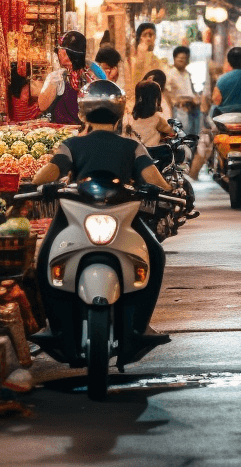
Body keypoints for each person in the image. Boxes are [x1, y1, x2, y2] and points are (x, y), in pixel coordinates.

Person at [32, 79, 171, 345]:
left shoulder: (72, 145)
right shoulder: (132, 146)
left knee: (45, 258)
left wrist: (41, 187)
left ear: (83, 113)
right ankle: (140, 326)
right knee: (155, 254)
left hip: (75, 216)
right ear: (120, 113)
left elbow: (43, 177)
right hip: (123, 217)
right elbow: (155, 181)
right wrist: (170, 193)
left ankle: (55, 326)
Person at [37, 31, 97, 126]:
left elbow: (42, 106)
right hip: (76, 132)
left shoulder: (90, 75)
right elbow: (42, 105)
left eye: (60, 51)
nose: (59, 54)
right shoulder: (92, 74)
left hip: (71, 133)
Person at [124, 80, 174, 147]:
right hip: (151, 153)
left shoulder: (129, 117)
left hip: (134, 151)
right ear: (155, 99)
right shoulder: (157, 118)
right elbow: (171, 131)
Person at [165, 46, 201, 136]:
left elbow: (192, 91)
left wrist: (196, 98)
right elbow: (167, 93)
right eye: (180, 59)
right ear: (174, 59)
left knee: (194, 135)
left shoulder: (187, 73)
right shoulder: (170, 74)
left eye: (185, 59)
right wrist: (176, 102)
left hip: (192, 108)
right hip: (179, 109)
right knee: (183, 135)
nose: (183, 61)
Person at [127, 21, 167, 101]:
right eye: (145, 35)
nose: (148, 38)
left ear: (155, 37)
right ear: (139, 38)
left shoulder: (157, 60)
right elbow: (135, 82)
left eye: (151, 35)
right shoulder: (132, 60)